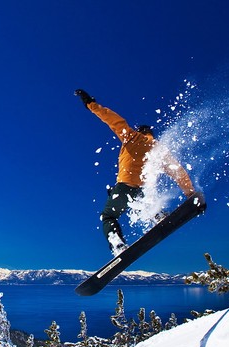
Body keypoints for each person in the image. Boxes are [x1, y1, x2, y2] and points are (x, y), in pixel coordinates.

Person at [75, 89, 196, 255]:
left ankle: (117, 244)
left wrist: (91, 104)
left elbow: (111, 119)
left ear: (139, 131)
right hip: (143, 192)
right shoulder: (159, 151)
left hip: (124, 188)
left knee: (108, 216)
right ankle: (157, 215)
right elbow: (178, 172)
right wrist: (190, 194)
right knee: (143, 203)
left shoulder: (131, 137)